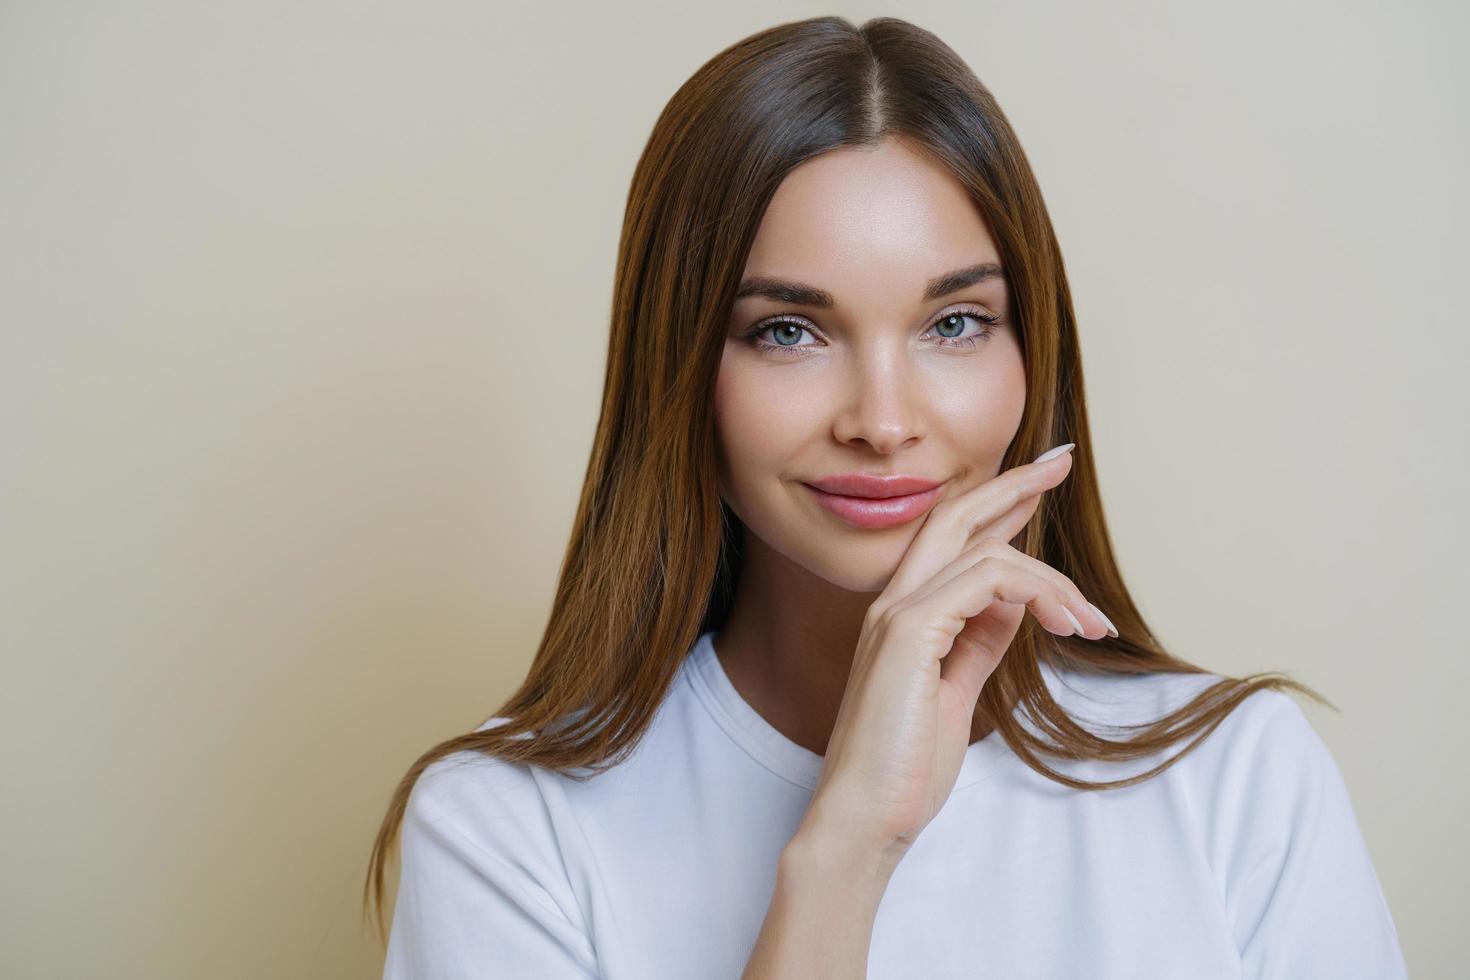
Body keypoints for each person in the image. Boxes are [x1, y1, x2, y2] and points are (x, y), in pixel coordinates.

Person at [366, 15, 1407, 978]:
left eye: (953, 322)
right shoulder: (506, 829)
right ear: (679, 370)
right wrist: (847, 847)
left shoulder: (1232, 773)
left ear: (1032, 353)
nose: (883, 418)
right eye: (788, 330)